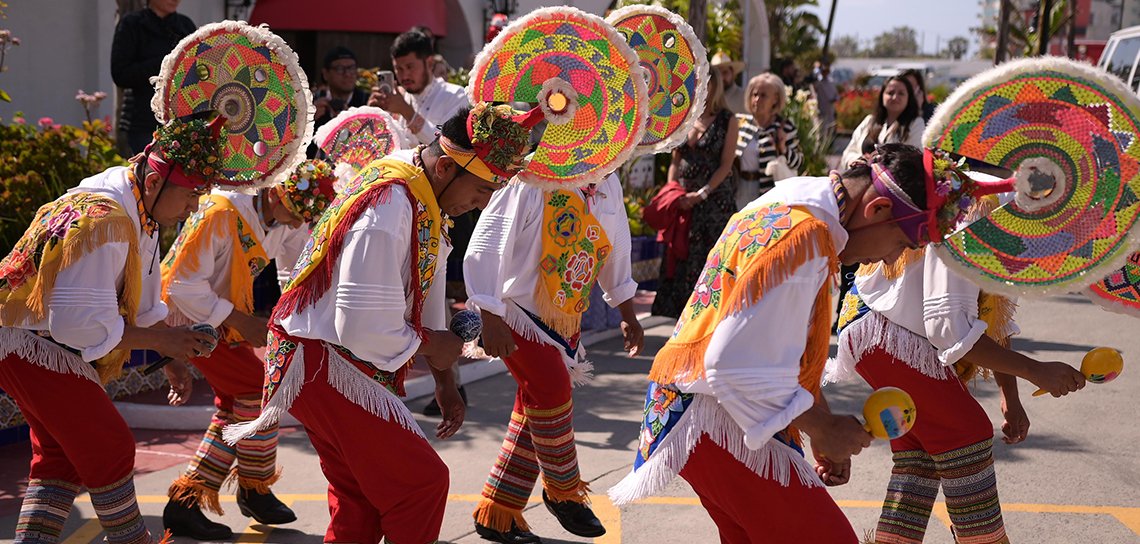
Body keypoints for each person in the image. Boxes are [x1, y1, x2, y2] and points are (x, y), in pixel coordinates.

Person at [223, 105, 536, 543]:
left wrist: (446, 379)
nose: (479, 206)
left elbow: (425, 285)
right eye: (482, 192)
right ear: (447, 166)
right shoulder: (390, 207)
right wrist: (432, 346)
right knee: (419, 485)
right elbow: (360, 325)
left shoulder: (418, 187)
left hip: (319, 355)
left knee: (360, 500)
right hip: (324, 358)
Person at [610, 143, 942, 541]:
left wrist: (820, 419)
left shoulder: (795, 197)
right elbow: (729, 363)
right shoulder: (807, 237)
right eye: (902, 245)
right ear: (878, 211)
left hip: (693, 412)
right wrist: (821, 427)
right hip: (716, 418)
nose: (890, 260)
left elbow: (780, 345)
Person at [829, 165, 1087, 544]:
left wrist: (1010, 398)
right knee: (967, 435)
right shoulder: (976, 208)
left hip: (881, 332)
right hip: (889, 332)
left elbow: (988, 319)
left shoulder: (993, 206)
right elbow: (946, 325)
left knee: (918, 455)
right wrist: (1037, 371)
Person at [0, 115, 224, 543]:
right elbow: (78, 325)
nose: (195, 206)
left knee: (60, 459)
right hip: (30, 342)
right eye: (193, 193)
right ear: (157, 180)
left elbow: (139, 301)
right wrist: (164, 340)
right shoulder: (107, 219)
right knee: (109, 444)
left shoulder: (137, 206)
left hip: (29, 340)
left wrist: (169, 356)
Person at [158, 160, 336, 539]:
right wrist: (242, 321)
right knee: (257, 390)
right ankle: (233, 492)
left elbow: (297, 265)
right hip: (183, 319)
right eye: (295, 215)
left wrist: (297, 313)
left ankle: (216, 496)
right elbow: (180, 287)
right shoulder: (221, 211)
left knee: (239, 401)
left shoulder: (284, 212)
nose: (294, 224)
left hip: (218, 317)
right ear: (276, 192)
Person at [464, 168, 645, 541]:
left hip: (563, 315)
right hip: (513, 309)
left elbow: (617, 247)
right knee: (551, 390)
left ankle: (498, 510)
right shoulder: (531, 176)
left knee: (535, 408)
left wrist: (627, 312)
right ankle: (563, 491)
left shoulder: (606, 182)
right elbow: (488, 242)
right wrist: (488, 311)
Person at [652, 75, 739, 319]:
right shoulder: (686, 117)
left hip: (714, 202)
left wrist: (702, 194)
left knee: (709, 257)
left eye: (706, 81)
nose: (701, 87)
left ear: (715, 85)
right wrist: (673, 190)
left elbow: (726, 165)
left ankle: (709, 315)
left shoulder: (727, 120)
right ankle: (681, 314)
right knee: (681, 255)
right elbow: (675, 161)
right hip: (684, 201)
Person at [111, 0, 197, 155]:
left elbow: (196, 74)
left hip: (181, 121)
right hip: (142, 121)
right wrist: (165, 63)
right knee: (151, 175)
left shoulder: (185, 25)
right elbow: (120, 74)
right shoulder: (132, 24)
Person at [370, 29, 470, 146]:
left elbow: (447, 144)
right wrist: (374, 116)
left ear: (430, 63)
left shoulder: (455, 95)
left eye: (410, 67)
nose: (405, 75)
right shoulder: (398, 98)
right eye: (399, 69)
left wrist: (406, 111)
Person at [735, 73, 803, 209]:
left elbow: (798, 162)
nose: (757, 100)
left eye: (763, 95)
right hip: (740, 189)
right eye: (754, 94)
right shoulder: (740, 123)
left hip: (769, 195)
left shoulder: (784, 127)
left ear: (775, 99)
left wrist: (783, 149)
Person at [840, 75, 925, 169]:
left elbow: (915, 160)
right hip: (859, 178)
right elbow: (848, 152)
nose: (895, 97)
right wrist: (858, 160)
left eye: (901, 93)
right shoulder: (870, 121)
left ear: (909, 98)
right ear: (882, 96)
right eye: (890, 92)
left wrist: (877, 165)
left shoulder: (916, 124)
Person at [810, 62, 839, 142]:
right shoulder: (818, 84)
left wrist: (833, 99)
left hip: (830, 110)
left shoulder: (831, 83)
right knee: (821, 129)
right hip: (821, 110)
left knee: (830, 128)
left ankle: (829, 144)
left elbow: (836, 95)